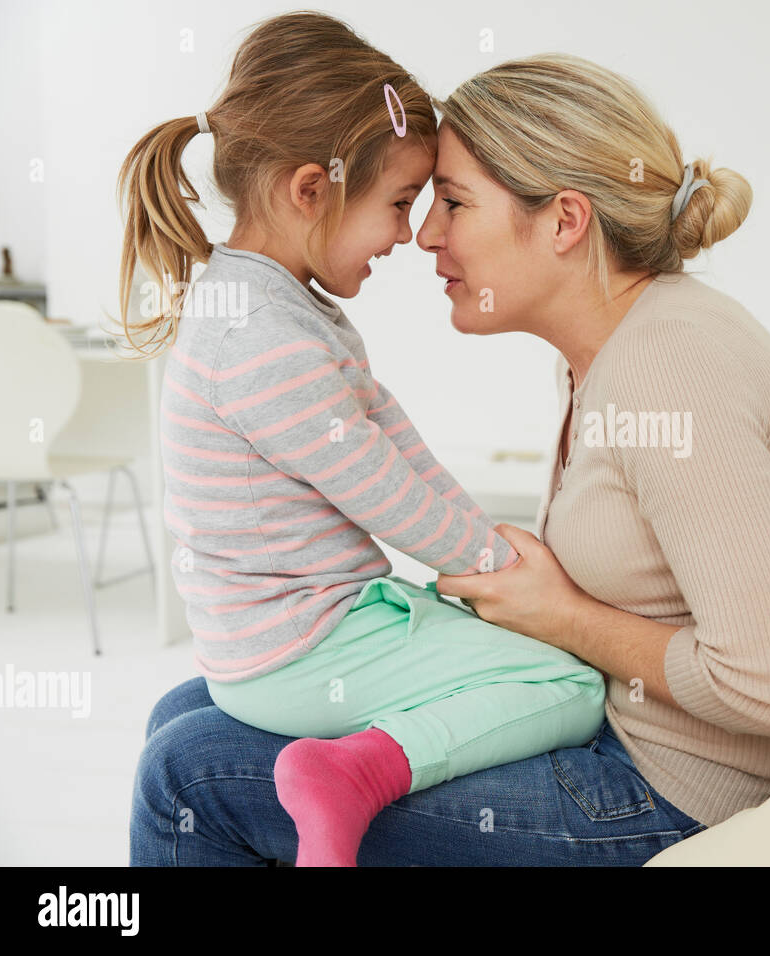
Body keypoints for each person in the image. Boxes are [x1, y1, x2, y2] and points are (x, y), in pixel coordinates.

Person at [130, 44, 770, 867]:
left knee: (189, 774)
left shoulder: (669, 369)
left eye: (452, 202)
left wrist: (568, 620)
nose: (424, 235)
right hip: (620, 736)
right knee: (191, 712)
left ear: (564, 222)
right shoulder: (608, 354)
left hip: (669, 794)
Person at [118, 11, 606, 867]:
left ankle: (352, 766)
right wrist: (504, 576)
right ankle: (357, 773)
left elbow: (398, 453)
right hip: (305, 647)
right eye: (396, 204)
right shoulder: (265, 340)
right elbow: (382, 494)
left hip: (290, 634)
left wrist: (491, 558)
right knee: (567, 683)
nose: (407, 235)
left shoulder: (274, 306)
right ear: (312, 190)